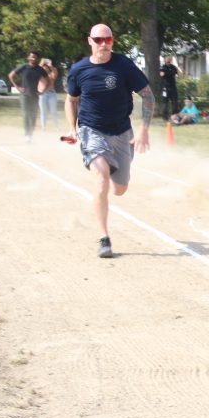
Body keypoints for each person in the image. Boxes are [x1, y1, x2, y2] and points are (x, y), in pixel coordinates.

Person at [64, 23, 155, 258]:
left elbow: (147, 95)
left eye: (108, 40)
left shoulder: (124, 65)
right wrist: (72, 130)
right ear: (89, 41)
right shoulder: (79, 70)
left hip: (122, 132)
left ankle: (116, 175)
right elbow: (71, 100)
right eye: (99, 40)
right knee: (101, 179)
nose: (103, 44)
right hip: (91, 131)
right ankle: (104, 238)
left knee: (119, 189)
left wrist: (144, 128)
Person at [8, 50, 55, 142]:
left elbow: (49, 81)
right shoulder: (23, 67)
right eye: (31, 56)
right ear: (28, 57)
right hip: (25, 95)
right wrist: (17, 87)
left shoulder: (40, 69)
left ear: (37, 58)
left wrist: (43, 91)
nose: (33, 58)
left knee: (33, 115)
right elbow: (11, 75)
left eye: (35, 57)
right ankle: (26, 134)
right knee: (26, 114)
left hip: (35, 95)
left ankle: (30, 134)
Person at [37, 57, 59, 132]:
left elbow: (55, 74)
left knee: (53, 112)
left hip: (51, 94)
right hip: (42, 94)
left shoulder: (51, 74)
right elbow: (37, 69)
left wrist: (50, 65)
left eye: (46, 66)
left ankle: (57, 127)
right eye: (44, 66)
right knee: (43, 112)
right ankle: (43, 128)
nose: (45, 67)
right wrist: (42, 62)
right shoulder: (39, 74)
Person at [159, 55, 181, 121]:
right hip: (165, 88)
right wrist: (169, 74)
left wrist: (174, 76)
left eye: (170, 61)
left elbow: (176, 75)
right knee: (165, 103)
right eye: (167, 61)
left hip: (173, 87)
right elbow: (161, 74)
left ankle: (174, 116)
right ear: (165, 61)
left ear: (171, 61)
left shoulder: (173, 67)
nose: (168, 62)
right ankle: (165, 117)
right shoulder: (162, 67)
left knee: (175, 102)